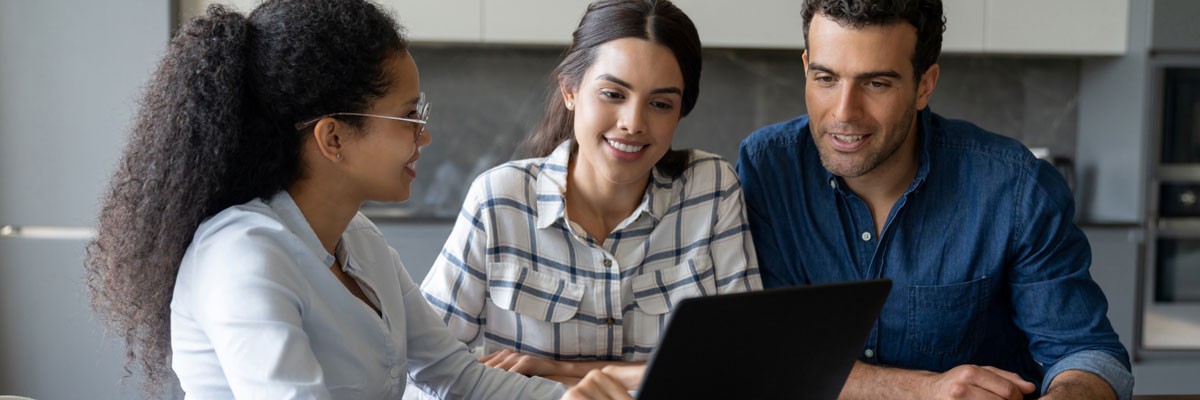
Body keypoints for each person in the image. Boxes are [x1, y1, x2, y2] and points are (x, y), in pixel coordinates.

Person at [82, 1, 567, 398]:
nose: (426, 137)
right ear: (333, 138)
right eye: (409, 118)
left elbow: (460, 378)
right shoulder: (242, 254)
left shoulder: (361, 242)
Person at [736, 0, 1133, 399]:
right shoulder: (769, 168)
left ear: (924, 85)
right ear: (806, 68)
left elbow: (1089, 354)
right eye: (825, 78)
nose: (844, 112)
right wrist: (923, 390)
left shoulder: (1014, 187)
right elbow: (773, 354)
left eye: (876, 83)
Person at [417, 0, 761, 387]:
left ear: (680, 112)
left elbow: (747, 364)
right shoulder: (500, 200)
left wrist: (581, 373)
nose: (633, 123)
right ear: (570, 90)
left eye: (660, 104)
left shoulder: (712, 190)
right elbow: (424, 367)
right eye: (613, 94)